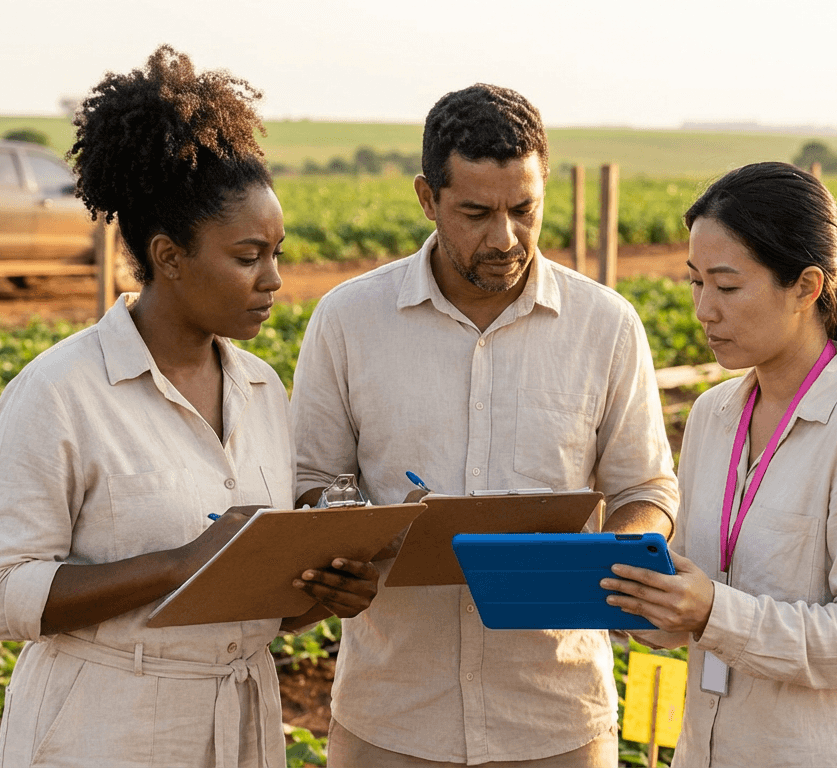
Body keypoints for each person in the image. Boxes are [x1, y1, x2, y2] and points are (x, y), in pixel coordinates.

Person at [0, 46, 378, 768]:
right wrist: (179, 562)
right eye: (248, 257)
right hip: (103, 730)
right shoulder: (60, 393)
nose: (273, 280)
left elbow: (251, 602)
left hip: (240, 724)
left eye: (277, 254)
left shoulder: (260, 390)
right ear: (169, 255)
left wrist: (326, 591)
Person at [290, 84, 679, 766]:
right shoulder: (348, 320)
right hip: (389, 717)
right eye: (475, 213)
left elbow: (646, 488)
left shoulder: (606, 326)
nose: (505, 238)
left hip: (555, 717)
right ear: (426, 198)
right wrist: (340, 536)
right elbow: (311, 481)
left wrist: (607, 560)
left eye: (523, 210)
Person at [603, 161, 837, 766]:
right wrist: (639, 601)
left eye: (727, 287)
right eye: (695, 282)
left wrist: (713, 612)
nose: (704, 310)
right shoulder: (714, 415)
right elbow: (702, 598)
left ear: (806, 287)